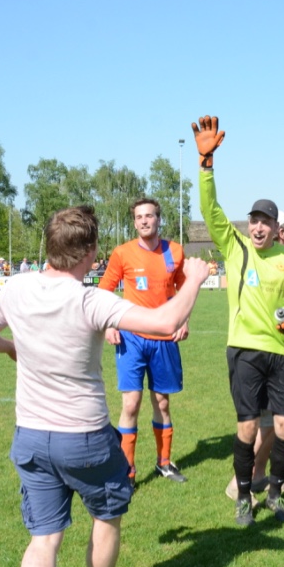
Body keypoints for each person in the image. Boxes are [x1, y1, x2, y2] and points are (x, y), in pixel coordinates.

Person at [0, 205, 210, 567]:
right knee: (106, 516)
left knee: (43, 540)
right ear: (91, 252)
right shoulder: (88, 301)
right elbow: (164, 323)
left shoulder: (15, 288)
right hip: (84, 437)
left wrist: (12, 347)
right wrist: (196, 279)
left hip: (31, 435)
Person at [194, 115, 284, 526]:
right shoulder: (235, 247)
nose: (259, 227)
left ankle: (274, 493)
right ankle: (243, 497)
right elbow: (209, 208)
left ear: (277, 228)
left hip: (282, 351)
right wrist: (206, 166)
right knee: (246, 428)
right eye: (254, 220)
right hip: (245, 350)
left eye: (266, 222)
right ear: (248, 225)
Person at [98, 198, 190, 484]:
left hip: (163, 338)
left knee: (162, 403)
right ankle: (128, 472)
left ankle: (164, 463)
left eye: (149, 216)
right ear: (135, 222)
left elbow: (185, 288)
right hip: (131, 338)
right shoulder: (122, 253)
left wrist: (184, 319)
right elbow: (104, 290)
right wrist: (108, 324)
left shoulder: (175, 251)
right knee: (130, 405)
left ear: (158, 219)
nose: (144, 221)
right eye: (139, 217)